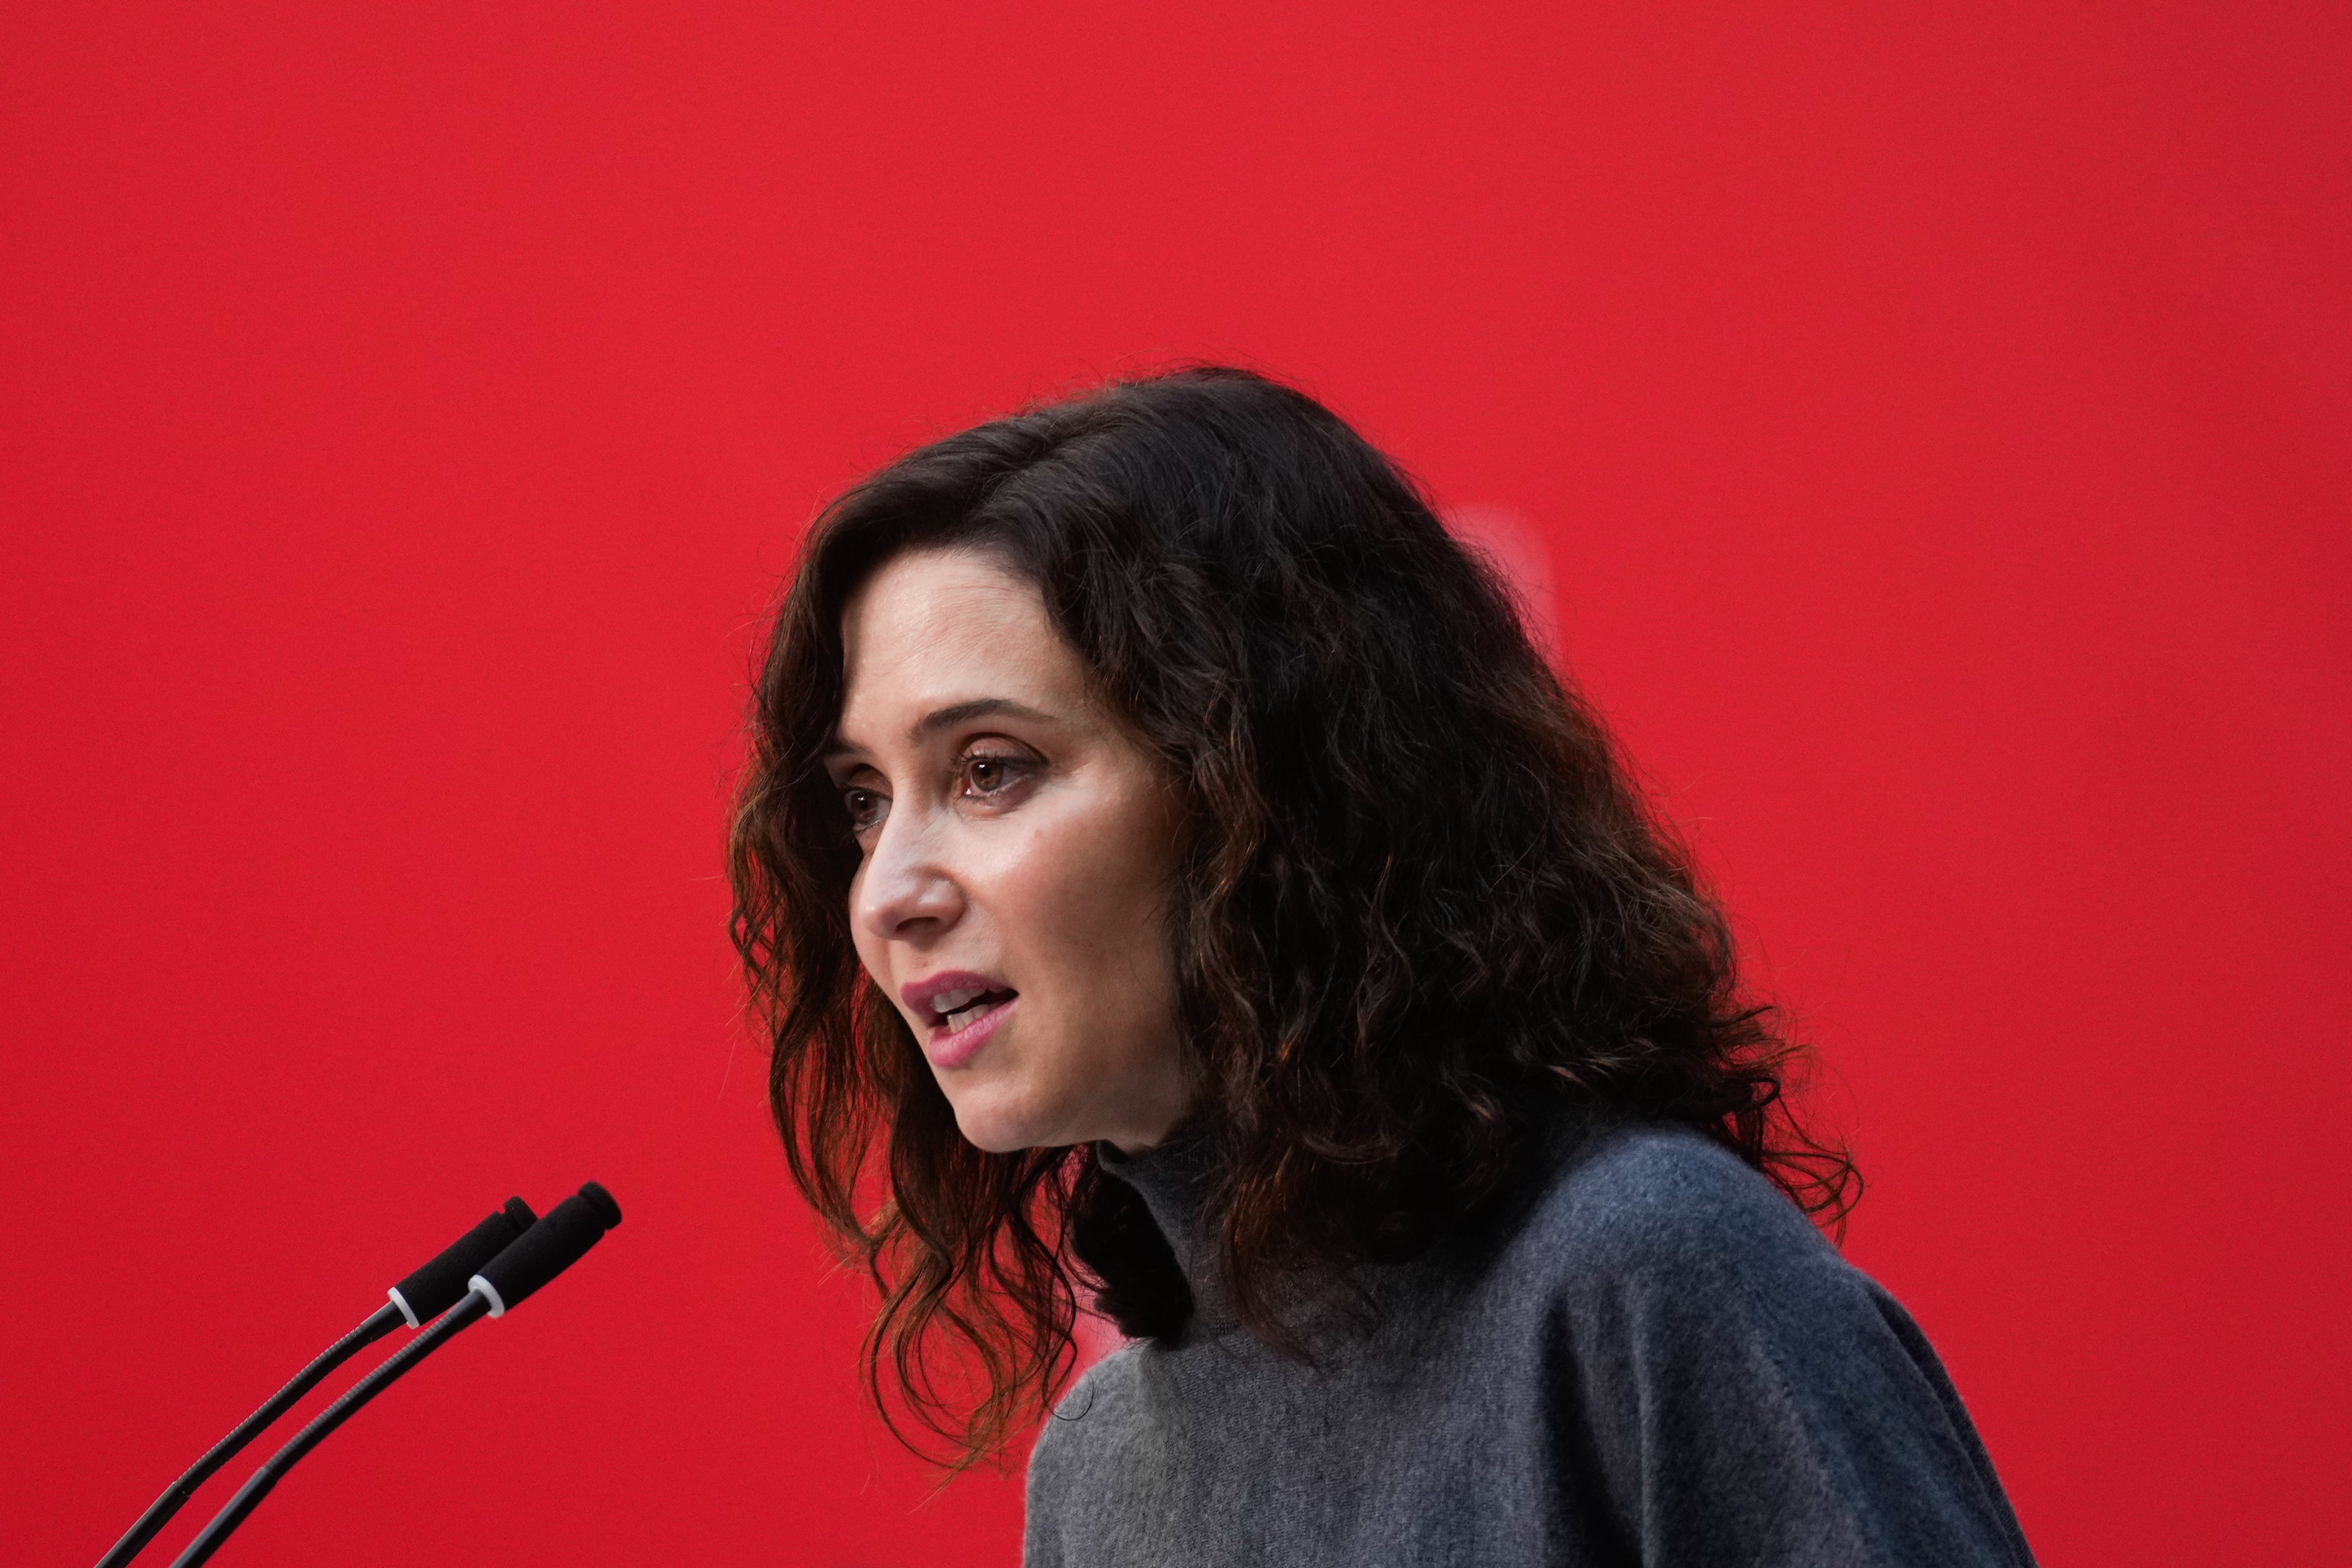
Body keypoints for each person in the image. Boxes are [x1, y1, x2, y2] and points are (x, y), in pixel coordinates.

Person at [727, 367, 2037, 1566]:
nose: (889, 890)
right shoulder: (1098, 1474)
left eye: (989, 769)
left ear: (1271, 794)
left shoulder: (1641, 1277)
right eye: (861, 802)